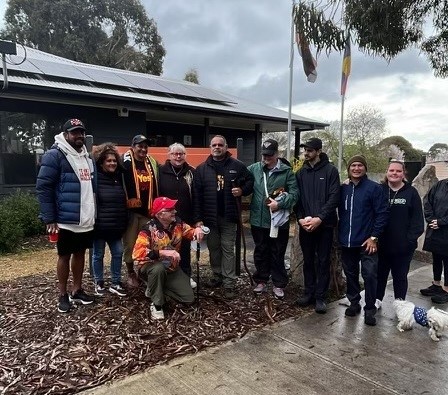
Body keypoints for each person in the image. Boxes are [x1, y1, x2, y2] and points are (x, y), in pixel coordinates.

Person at [36, 118, 95, 313]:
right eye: (74, 132)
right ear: (66, 134)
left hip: (84, 217)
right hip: (64, 218)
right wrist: (49, 218)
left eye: (81, 132)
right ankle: (63, 294)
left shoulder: (86, 156)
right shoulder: (55, 155)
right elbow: (43, 187)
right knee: (64, 255)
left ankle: (77, 290)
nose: (79, 136)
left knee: (80, 253)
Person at [193, 135, 254, 299]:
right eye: (214, 145)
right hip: (209, 218)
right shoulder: (202, 169)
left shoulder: (237, 165)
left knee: (228, 249)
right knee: (214, 248)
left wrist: (242, 190)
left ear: (226, 147)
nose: (217, 147)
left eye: (220, 144)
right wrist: (198, 219)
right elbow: (197, 197)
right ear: (210, 147)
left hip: (229, 216)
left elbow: (250, 181)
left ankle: (229, 283)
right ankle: (217, 275)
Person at [132, 197, 204, 320]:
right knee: (158, 269)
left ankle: (154, 288)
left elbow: (191, 232)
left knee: (188, 299)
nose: (174, 212)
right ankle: (157, 305)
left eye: (173, 209)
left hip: (171, 267)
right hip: (149, 267)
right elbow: (137, 254)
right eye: (170, 209)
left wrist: (197, 229)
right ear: (160, 214)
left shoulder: (178, 224)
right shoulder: (148, 230)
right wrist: (162, 253)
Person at [338, 155, 388, 326]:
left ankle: (369, 309)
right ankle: (354, 303)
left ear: (365, 168)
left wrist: (374, 237)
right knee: (350, 274)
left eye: (360, 165)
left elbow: (382, 214)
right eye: (353, 165)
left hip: (368, 242)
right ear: (349, 169)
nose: (356, 168)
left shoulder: (374, 188)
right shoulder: (343, 188)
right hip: (347, 241)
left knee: (369, 275)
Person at [248, 139, 298, 299]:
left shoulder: (287, 172)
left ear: (277, 154)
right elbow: (241, 178)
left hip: (278, 222)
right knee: (261, 251)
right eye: (264, 155)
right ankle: (261, 280)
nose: (266, 158)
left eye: (270, 155)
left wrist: (280, 203)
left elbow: (295, 194)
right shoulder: (254, 169)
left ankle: (278, 283)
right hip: (258, 219)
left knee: (277, 252)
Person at [295, 138, 340, 313]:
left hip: (325, 226)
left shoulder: (330, 171)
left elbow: (334, 197)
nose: (306, 153)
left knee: (323, 261)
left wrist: (320, 218)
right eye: (305, 150)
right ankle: (309, 293)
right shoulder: (300, 173)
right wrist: (299, 218)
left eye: (310, 150)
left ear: (319, 151)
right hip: (305, 226)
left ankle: (321, 297)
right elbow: (296, 198)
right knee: (308, 261)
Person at [376, 160, 424, 307]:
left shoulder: (411, 192)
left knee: (400, 277)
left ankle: (400, 304)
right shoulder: (379, 190)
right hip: (381, 245)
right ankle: (377, 300)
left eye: (398, 171)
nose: (394, 173)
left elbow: (418, 221)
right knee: (379, 275)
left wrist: (408, 241)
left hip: (403, 247)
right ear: (387, 172)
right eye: (391, 170)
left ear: (403, 173)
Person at [122, 134, 159, 287]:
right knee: (130, 244)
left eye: (145, 146)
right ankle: (131, 272)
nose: (143, 149)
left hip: (147, 211)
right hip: (131, 211)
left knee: (147, 244)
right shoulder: (124, 161)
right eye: (140, 146)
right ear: (133, 147)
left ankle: (143, 272)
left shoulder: (152, 162)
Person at [91, 143, 128, 297]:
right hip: (99, 226)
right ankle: (98, 281)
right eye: (108, 161)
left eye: (114, 160)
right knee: (98, 254)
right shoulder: (96, 178)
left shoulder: (119, 177)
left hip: (116, 225)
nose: (112, 163)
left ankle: (116, 281)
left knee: (118, 253)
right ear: (101, 162)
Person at [158, 143, 197, 289]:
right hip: (164, 220)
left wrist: (197, 218)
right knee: (166, 247)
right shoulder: (160, 171)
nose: (178, 157)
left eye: (181, 154)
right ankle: (167, 276)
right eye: (175, 154)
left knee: (185, 249)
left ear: (185, 155)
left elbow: (197, 196)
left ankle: (186, 276)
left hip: (185, 218)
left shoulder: (192, 172)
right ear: (169, 155)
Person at [420, 178, 448, 304]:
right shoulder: (440, 184)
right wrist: (432, 219)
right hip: (435, 228)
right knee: (436, 256)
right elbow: (427, 201)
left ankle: (447, 289)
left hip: (446, 229)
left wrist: (442, 222)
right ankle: (436, 284)